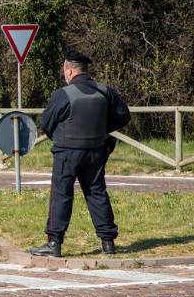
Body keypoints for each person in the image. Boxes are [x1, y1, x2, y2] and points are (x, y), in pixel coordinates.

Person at [30, 47, 130, 258]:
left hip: (67, 152)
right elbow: (123, 116)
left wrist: (61, 134)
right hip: (96, 151)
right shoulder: (105, 91)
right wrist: (101, 129)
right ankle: (108, 242)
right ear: (84, 70)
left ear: (69, 70)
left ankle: (54, 243)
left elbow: (46, 124)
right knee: (97, 192)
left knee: (61, 195)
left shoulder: (63, 94)